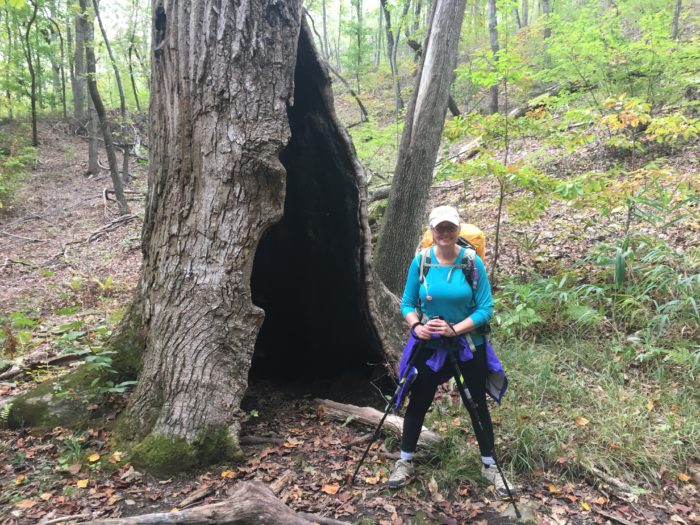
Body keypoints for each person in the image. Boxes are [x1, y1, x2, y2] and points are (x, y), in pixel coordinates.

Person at [388, 205, 513, 496]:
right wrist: (417, 326)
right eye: (439, 228)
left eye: (450, 227)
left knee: (476, 405)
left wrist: (455, 329)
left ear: (457, 229)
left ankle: (489, 466)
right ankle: (404, 461)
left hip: (468, 346)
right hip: (430, 347)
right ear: (432, 230)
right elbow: (407, 303)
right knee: (418, 402)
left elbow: (486, 309)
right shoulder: (421, 262)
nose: (444, 233)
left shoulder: (471, 263)